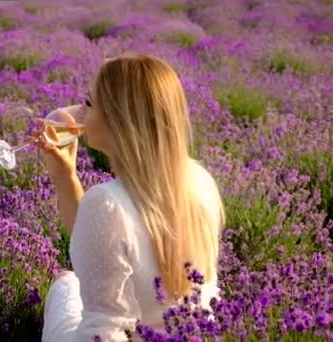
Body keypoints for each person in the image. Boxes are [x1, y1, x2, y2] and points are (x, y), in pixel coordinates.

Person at [33, 53, 225, 342]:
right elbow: (101, 247)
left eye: (88, 102)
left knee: (64, 283)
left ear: (116, 119)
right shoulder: (199, 181)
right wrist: (65, 177)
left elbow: (102, 334)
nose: (80, 113)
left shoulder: (107, 203)